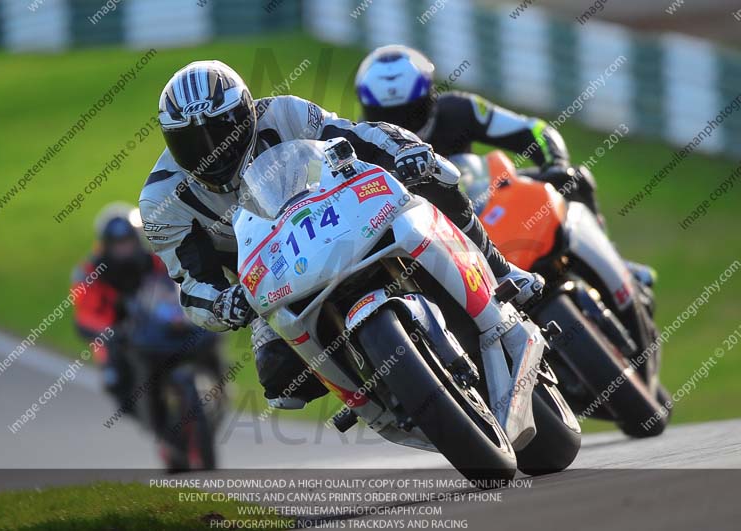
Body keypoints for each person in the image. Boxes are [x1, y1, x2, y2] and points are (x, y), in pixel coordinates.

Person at [138, 61, 544, 409]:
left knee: (434, 178)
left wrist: (405, 149)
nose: (212, 150)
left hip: (339, 214)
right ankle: (382, 395)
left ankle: (500, 268)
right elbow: (192, 281)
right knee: (281, 381)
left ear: (246, 115)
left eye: (221, 130)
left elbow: (355, 135)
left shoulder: (284, 113)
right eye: (190, 141)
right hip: (269, 276)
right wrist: (222, 304)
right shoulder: (161, 200)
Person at [354, 44, 654, 286]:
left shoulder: (459, 109)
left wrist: (555, 163)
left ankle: (616, 264)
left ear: (429, 97)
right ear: (368, 111)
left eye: (410, 111)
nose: (401, 124)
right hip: (436, 240)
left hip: (485, 199)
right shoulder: (360, 148)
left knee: (574, 179)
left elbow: (533, 130)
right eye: (387, 115)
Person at [72, 203, 221, 417]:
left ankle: (220, 388)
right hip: (119, 336)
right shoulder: (89, 273)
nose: (123, 249)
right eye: (117, 244)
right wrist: (108, 332)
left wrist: (187, 311)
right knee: (116, 381)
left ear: (136, 239)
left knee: (208, 335)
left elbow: (178, 285)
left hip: (159, 324)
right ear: (105, 245)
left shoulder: (154, 260)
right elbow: (86, 313)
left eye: (127, 242)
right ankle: (153, 421)